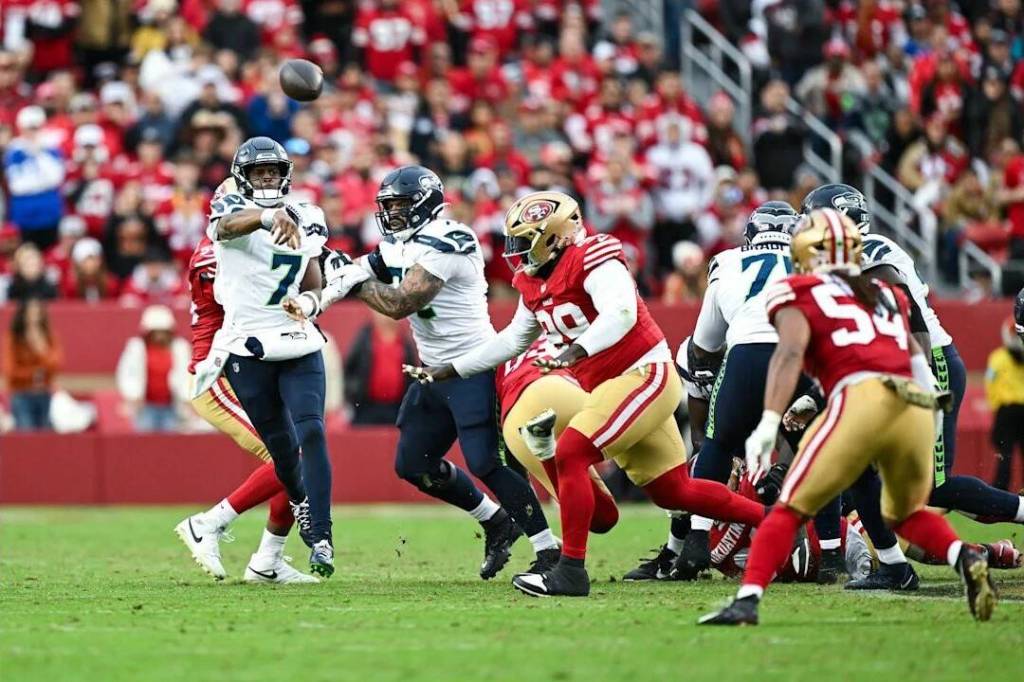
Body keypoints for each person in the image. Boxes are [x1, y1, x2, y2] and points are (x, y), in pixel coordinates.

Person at [404, 191, 767, 597]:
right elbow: (511, 341)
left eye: (524, 242)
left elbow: (621, 312)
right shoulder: (532, 280)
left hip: (643, 373)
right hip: (613, 386)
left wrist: (576, 350)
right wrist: (450, 369)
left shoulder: (595, 254)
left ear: (554, 237)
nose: (517, 252)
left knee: (573, 452)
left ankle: (570, 571)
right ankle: (775, 522)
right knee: (674, 490)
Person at [699, 208, 997, 626]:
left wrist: (769, 421)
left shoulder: (798, 290)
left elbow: (788, 355)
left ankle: (746, 600)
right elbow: (913, 359)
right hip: (912, 404)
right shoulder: (886, 293)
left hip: (861, 400)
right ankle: (961, 556)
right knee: (904, 511)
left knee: (788, 507)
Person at [316, 166, 559, 580]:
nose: (392, 213)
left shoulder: (450, 238)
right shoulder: (399, 245)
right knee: (414, 464)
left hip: (473, 366)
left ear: (425, 202)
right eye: (387, 206)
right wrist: (319, 298)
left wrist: (351, 280)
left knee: (486, 462)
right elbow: (357, 268)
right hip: (432, 372)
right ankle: (495, 521)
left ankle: (549, 551)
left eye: (400, 204)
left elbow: (399, 304)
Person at [802, 185, 1024, 543]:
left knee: (934, 487)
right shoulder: (845, 260)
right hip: (907, 365)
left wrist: (920, 378)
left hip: (929, 361)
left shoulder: (868, 252)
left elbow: (910, 312)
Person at [673, 201, 852, 582]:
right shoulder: (816, 257)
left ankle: (697, 539)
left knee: (717, 445)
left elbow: (704, 341)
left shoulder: (727, 261)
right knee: (822, 449)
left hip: (747, 355)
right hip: (803, 354)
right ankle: (833, 554)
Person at [196, 136, 334, 577]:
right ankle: (280, 535)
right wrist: (268, 215)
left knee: (311, 431)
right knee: (282, 452)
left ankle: (322, 533)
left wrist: (311, 303)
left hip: (297, 341)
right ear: (241, 179)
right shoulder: (231, 214)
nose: (267, 179)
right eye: (258, 173)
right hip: (248, 348)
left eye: (273, 172)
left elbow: (312, 277)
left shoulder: (309, 215)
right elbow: (226, 227)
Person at [175, 178, 317, 584]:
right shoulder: (213, 254)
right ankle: (208, 523)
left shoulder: (252, 245)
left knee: (298, 460)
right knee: (291, 461)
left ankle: (267, 561)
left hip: (252, 365)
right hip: (217, 373)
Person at [115, 304, 190, 432]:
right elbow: (126, 374)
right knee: (145, 445)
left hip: (173, 407)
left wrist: (186, 397)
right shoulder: (136, 348)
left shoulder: (180, 348)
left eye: (163, 332)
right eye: (156, 332)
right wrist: (132, 394)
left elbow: (187, 375)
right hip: (145, 407)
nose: (160, 336)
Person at [3, 106, 65, 250]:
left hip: (50, 213)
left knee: (51, 250)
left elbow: (56, 178)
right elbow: (17, 186)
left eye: (35, 127)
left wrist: (38, 153)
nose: (32, 132)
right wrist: (41, 182)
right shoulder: (14, 150)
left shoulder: (51, 147)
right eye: (29, 128)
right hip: (24, 215)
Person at [343, 311, 415, 426]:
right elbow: (349, 369)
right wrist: (354, 395)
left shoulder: (404, 342)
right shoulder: (364, 339)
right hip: (367, 407)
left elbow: (412, 374)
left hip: (396, 407)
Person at [2, 298, 61, 430]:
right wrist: (34, 373)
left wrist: (41, 348)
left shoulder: (48, 337)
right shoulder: (13, 338)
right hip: (21, 394)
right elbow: (10, 370)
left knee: (45, 437)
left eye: (37, 315)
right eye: (30, 315)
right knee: (26, 435)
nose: (33, 320)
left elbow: (56, 365)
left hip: (44, 394)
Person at [985, 317, 1024, 492]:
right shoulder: (999, 357)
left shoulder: (998, 358)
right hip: (1016, 410)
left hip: (1006, 411)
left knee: (1004, 454)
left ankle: (1000, 492)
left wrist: (995, 407)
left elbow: (990, 384)